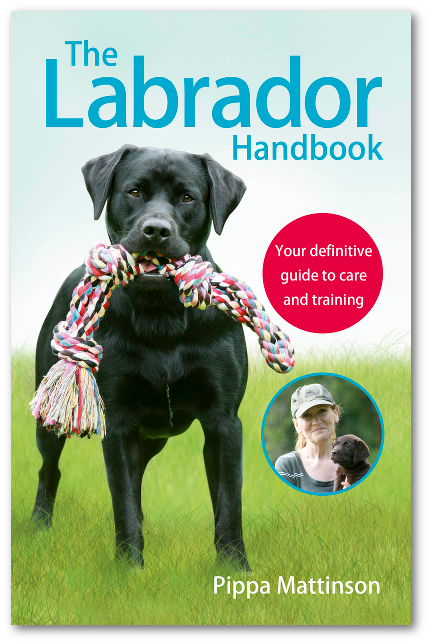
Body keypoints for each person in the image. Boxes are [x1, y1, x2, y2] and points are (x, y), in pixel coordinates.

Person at [275, 383, 346, 493]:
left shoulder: (353, 463)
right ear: (297, 425)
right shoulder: (288, 466)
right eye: (307, 415)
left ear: (335, 413)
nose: (316, 421)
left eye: (322, 411)